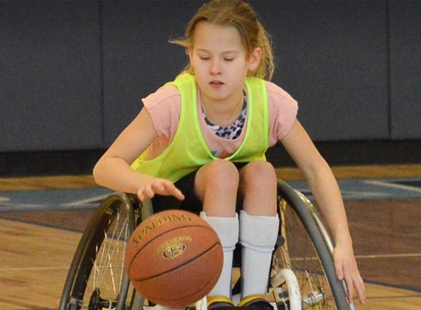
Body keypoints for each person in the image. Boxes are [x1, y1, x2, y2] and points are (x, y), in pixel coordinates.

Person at [93, 0, 366, 308]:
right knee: (222, 171)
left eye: (228, 58)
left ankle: (254, 296)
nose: (215, 68)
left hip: (242, 213)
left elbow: (317, 170)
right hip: (170, 211)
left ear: (252, 58)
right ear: (190, 56)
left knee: (263, 172)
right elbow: (105, 167)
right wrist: (138, 181)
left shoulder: (271, 103)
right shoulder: (172, 102)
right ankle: (218, 298)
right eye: (204, 56)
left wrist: (343, 243)